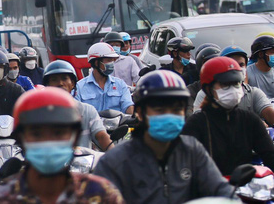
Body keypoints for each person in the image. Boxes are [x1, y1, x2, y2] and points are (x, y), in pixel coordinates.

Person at [94, 70, 234, 203]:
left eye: (176, 109)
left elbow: (222, 192)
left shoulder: (192, 151)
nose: (169, 116)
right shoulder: (114, 163)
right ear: (141, 113)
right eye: (160, 110)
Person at [0, 87, 124, 203]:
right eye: (37, 134)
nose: (48, 142)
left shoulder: (100, 194)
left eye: (58, 133)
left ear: (75, 138)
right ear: (21, 140)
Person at [183, 56, 274, 175]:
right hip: (209, 190)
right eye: (225, 85)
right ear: (208, 89)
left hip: (246, 188)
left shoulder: (250, 121)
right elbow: (186, 168)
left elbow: (273, 159)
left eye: (236, 83)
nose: (233, 90)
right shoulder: (196, 124)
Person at [43, 60, 112, 150]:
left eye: (64, 79)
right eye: (54, 80)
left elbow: (101, 136)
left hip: (83, 162)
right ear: (48, 85)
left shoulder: (87, 110)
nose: (60, 83)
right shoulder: (41, 113)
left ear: (72, 83)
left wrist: (115, 158)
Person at [74, 43, 134, 114]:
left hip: (119, 124)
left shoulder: (120, 84)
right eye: (108, 60)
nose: (112, 63)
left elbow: (128, 107)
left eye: (112, 60)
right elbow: (75, 112)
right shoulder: (79, 87)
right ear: (96, 63)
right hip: (92, 124)